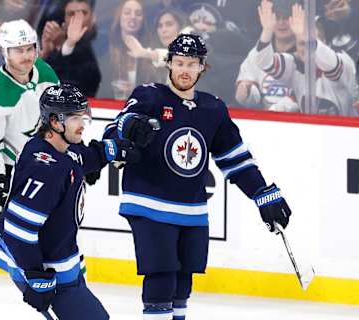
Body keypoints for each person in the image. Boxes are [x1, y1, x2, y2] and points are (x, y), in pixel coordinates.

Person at [103, 33, 292, 320]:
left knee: (182, 284)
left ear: (203, 67)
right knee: (161, 279)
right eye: (179, 62)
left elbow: (235, 159)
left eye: (192, 64)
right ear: (168, 63)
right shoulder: (148, 96)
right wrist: (128, 129)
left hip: (191, 209)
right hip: (149, 204)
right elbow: (114, 132)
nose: (184, 70)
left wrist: (261, 193)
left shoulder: (212, 108)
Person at [0, 83, 140, 319]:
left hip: (61, 262)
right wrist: (35, 277)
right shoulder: (45, 168)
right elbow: (19, 230)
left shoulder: (58, 148)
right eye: (74, 118)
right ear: (54, 121)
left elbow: (81, 157)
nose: (82, 124)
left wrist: (108, 151)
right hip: (47, 271)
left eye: (83, 115)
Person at [0, 19, 59, 213]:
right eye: (19, 50)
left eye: (30, 49)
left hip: (49, 163)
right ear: (4, 52)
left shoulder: (45, 72)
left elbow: (60, 119)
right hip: (15, 171)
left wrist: (77, 152)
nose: (26, 56)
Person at [254, 0, 358, 115]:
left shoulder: (343, 61)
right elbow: (264, 62)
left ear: (324, 42)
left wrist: (305, 35)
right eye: (302, 43)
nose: (306, 49)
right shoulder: (294, 63)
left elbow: (331, 65)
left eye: (311, 43)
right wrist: (267, 31)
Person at [42, 0, 101, 97]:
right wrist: (46, 53)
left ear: (93, 18)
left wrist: (68, 44)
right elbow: (45, 84)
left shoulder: (99, 44)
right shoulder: (57, 49)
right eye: (71, 14)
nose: (78, 18)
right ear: (64, 20)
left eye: (83, 13)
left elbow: (79, 85)